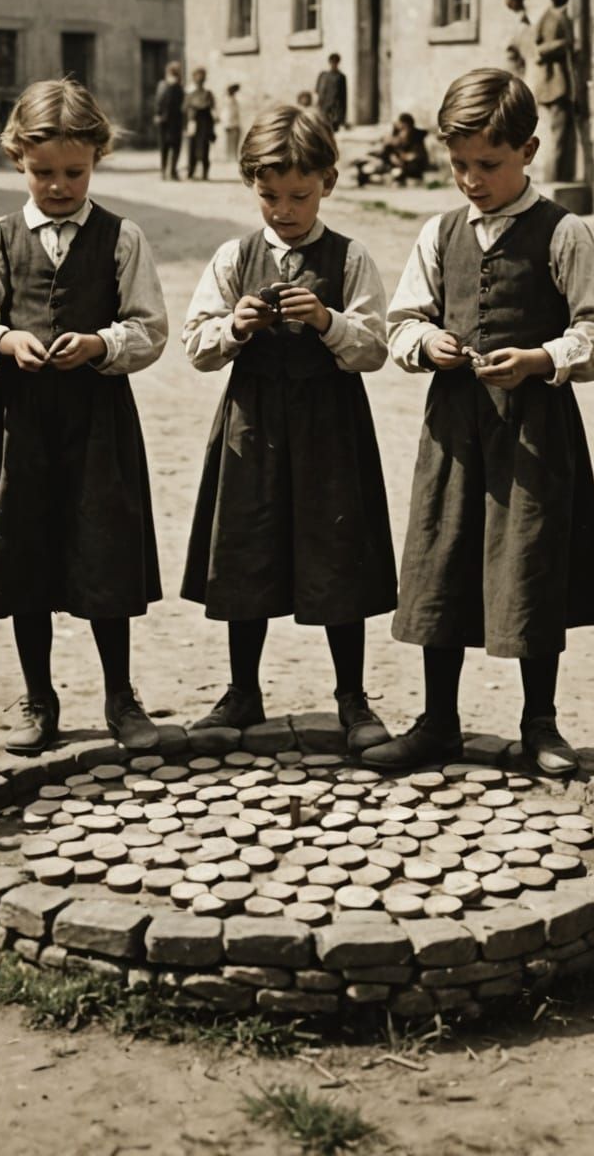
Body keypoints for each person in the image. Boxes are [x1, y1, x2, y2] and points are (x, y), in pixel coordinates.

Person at [364, 68, 594, 775]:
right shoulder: (439, 231)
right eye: (459, 165)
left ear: (529, 151)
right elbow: (403, 321)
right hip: (454, 429)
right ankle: (437, 721)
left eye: (489, 164)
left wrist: (543, 358)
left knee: (532, 566)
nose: (472, 180)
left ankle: (540, 723)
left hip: (535, 433)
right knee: (442, 561)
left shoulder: (563, 233)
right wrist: (427, 343)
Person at [0, 78, 168, 755]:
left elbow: (152, 327)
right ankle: (37, 697)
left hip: (98, 424)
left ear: (96, 160)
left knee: (105, 555)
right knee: (27, 560)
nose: (59, 186)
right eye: (44, 172)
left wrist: (103, 343)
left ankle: (120, 694)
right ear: (17, 158)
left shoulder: (121, 236)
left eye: (74, 172)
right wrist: (5, 342)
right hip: (23, 425)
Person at [181, 103, 396, 753]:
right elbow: (196, 344)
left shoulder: (349, 256)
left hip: (330, 426)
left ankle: (352, 696)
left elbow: (375, 346)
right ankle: (242, 690)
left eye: (299, 195)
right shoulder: (234, 256)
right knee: (246, 547)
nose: (283, 210)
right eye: (269, 196)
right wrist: (235, 326)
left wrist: (329, 322)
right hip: (253, 424)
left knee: (338, 554)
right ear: (251, 187)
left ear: (327, 183)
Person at [533, 0, 577, 184]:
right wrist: (564, 44)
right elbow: (539, 48)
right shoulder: (552, 17)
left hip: (561, 83)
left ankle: (563, 176)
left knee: (563, 135)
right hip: (556, 83)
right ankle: (555, 180)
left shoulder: (552, 16)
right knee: (558, 135)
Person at [354, 113, 430, 187]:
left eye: (404, 129)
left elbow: (417, 156)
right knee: (370, 166)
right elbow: (387, 152)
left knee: (398, 172)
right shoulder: (394, 140)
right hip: (392, 164)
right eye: (400, 130)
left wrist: (403, 157)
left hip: (408, 167)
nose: (401, 134)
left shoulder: (416, 139)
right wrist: (391, 155)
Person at [184, 67, 216, 181]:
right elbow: (185, 109)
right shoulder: (190, 94)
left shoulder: (208, 94)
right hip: (193, 124)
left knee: (204, 149)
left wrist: (212, 128)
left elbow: (212, 110)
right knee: (192, 149)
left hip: (204, 125)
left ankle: (204, 173)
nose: (199, 81)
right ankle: (191, 172)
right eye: (197, 78)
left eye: (201, 78)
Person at [154, 62, 184, 181]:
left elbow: (182, 104)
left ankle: (170, 171)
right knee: (167, 147)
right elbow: (158, 101)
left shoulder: (177, 87)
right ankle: (166, 171)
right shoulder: (166, 86)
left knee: (171, 147)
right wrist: (157, 114)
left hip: (172, 121)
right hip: (168, 121)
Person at [315, 53, 347, 129]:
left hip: (335, 108)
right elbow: (317, 90)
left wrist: (342, 115)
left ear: (338, 63)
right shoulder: (323, 75)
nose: (334, 64)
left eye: (336, 62)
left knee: (334, 128)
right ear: (329, 62)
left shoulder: (341, 77)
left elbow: (344, 95)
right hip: (324, 107)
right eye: (332, 62)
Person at [222, 83, 243, 164]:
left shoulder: (231, 99)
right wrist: (227, 123)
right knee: (232, 140)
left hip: (232, 122)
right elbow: (227, 112)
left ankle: (232, 156)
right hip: (231, 123)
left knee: (233, 140)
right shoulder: (229, 100)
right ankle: (231, 156)